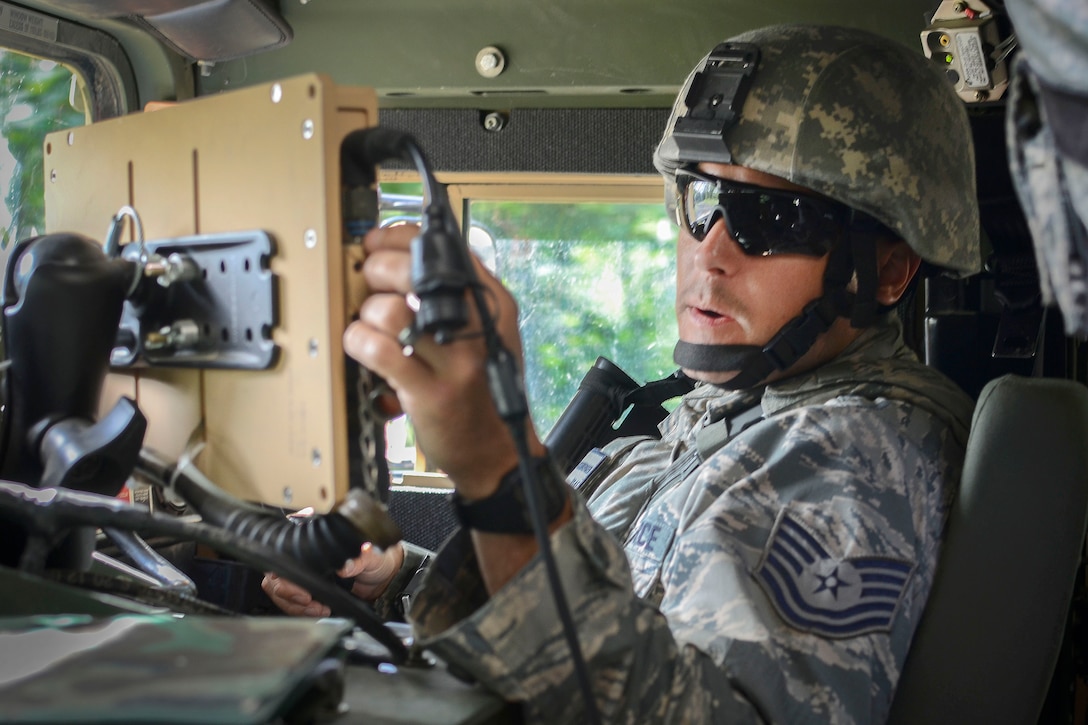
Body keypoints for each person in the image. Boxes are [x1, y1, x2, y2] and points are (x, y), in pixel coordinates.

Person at [264, 24, 980, 723]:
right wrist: (397, 578)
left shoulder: (860, 457)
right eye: (702, 202)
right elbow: (605, 625)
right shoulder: (724, 414)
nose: (712, 251)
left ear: (886, 269)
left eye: (774, 217)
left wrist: (499, 464)